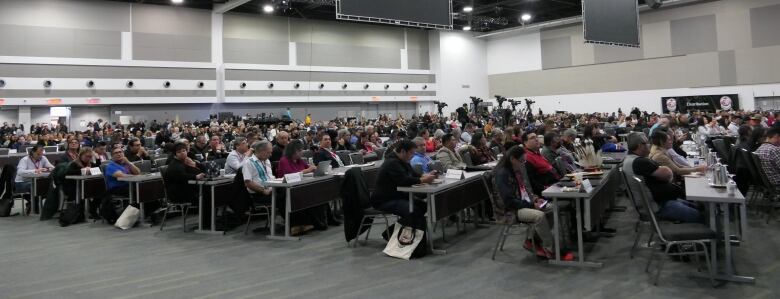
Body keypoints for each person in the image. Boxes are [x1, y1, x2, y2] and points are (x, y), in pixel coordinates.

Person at [494, 146, 574, 260]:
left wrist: (535, 199)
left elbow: (525, 191)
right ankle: (551, 250)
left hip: (522, 204)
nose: (523, 164)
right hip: (510, 210)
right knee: (540, 216)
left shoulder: (515, 170)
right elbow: (509, 201)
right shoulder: (502, 174)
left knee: (552, 208)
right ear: (512, 159)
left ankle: (533, 240)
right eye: (521, 161)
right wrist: (532, 205)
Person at [626, 132, 701, 223]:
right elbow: (668, 174)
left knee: (699, 207)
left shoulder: (629, 160)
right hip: (657, 207)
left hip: (657, 202)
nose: (650, 145)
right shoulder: (640, 162)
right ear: (640, 145)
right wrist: (663, 169)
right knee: (699, 215)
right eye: (647, 143)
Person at [371, 140, 437, 230]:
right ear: (403, 151)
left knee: (423, 206)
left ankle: (398, 233)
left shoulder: (402, 159)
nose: (413, 155)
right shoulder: (392, 162)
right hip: (384, 200)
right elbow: (404, 180)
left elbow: (413, 174)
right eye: (411, 153)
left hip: (397, 196)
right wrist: (423, 180)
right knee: (413, 210)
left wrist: (426, 175)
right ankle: (395, 234)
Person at [14, 145, 54, 213]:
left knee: (49, 186)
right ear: (32, 152)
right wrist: (35, 170)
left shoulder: (43, 158)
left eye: (41, 154)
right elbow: (20, 172)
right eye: (38, 154)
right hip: (21, 183)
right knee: (36, 187)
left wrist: (48, 168)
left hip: (36, 181)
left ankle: (33, 204)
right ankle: (34, 206)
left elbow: (52, 168)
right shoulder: (25, 160)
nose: (40, 156)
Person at [64, 147, 100, 217]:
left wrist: (97, 159)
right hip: (74, 187)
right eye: (87, 156)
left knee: (100, 191)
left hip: (86, 186)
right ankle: (82, 213)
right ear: (81, 155)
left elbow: (98, 169)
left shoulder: (90, 163)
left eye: (90, 157)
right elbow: (68, 173)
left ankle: (92, 211)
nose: (88, 158)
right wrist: (82, 170)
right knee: (88, 191)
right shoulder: (74, 163)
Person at [522, 131, 559, 195]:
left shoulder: (537, 153)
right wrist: (545, 189)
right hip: (547, 190)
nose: (536, 139)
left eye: (536, 137)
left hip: (556, 184)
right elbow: (531, 181)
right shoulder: (527, 157)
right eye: (532, 138)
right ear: (525, 142)